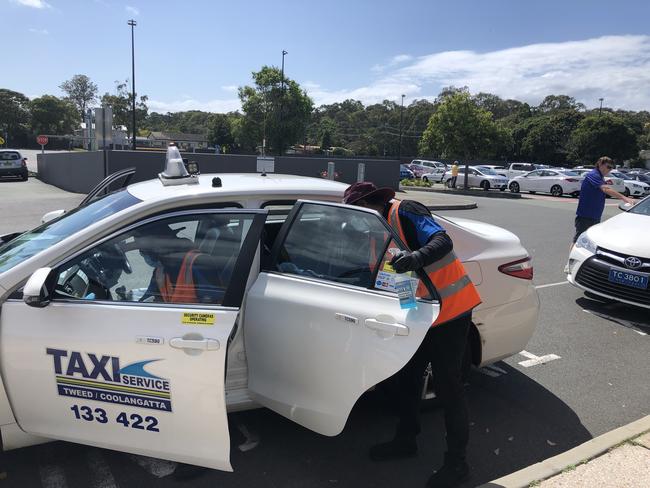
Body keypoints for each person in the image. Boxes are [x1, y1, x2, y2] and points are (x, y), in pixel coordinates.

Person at [343, 182, 481, 488]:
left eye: (358, 211)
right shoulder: (374, 232)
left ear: (371, 203)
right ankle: (406, 440)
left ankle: (458, 465)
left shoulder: (405, 211)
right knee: (406, 378)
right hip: (417, 316)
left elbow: (442, 241)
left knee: (449, 388)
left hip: (450, 312)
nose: (356, 219)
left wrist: (416, 258)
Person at [573, 156, 634, 244]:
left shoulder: (600, 177)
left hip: (595, 216)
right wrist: (624, 198)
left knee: (590, 242)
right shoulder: (593, 175)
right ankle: (572, 258)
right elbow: (606, 189)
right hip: (585, 216)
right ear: (600, 164)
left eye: (611, 168)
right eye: (608, 167)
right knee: (578, 241)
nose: (609, 170)